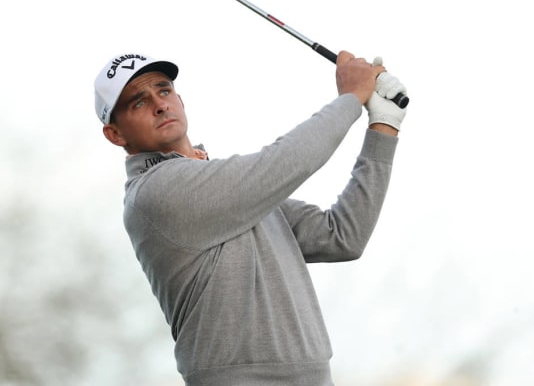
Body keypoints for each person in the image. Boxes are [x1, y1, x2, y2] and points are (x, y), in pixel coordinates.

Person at [94, 51, 407, 386]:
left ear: (180, 100)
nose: (160, 104)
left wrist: (383, 127)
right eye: (138, 102)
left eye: (164, 90)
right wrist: (350, 99)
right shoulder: (156, 191)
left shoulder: (229, 189)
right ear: (116, 134)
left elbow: (342, 236)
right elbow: (282, 161)